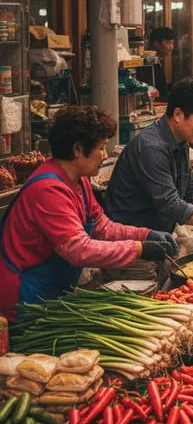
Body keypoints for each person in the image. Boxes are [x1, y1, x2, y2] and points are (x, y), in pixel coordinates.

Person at [0, 106, 177, 319]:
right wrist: (139, 249)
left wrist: (146, 234)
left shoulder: (79, 181)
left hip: (52, 292)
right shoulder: (48, 190)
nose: (104, 155)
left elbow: (102, 227)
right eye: (101, 148)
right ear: (77, 149)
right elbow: (78, 250)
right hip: (25, 297)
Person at [107, 77, 193, 249]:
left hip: (156, 238)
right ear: (178, 114)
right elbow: (169, 203)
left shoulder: (180, 141)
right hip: (130, 244)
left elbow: (191, 189)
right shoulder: (152, 147)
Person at [148, 26, 175, 101]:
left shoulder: (158, 62)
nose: (171, 47)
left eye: (172, 43)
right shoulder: (148, 64)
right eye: (168, 43)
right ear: (156, 43)